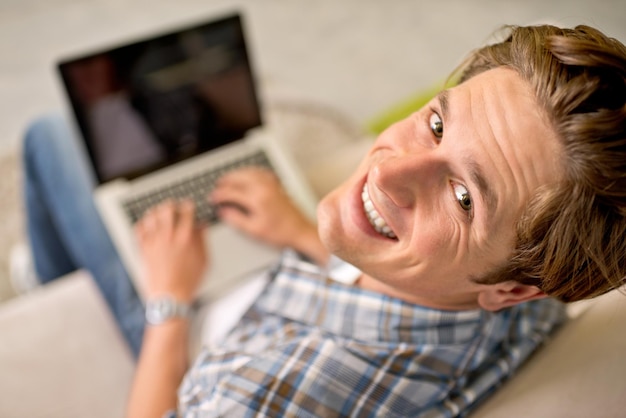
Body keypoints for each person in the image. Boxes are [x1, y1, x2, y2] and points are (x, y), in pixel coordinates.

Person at [21, 23, 626, 417]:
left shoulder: (250, 398)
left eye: (464, 197)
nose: (386, 173)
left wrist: (168, 304)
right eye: (437, 123)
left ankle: (51, 285)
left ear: (511, 288)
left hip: (192, 334)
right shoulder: (534, 297)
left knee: (51, 137)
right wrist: (305, 235)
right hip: (294, 281)